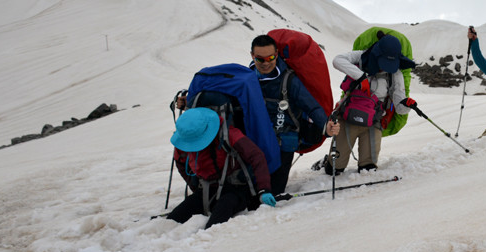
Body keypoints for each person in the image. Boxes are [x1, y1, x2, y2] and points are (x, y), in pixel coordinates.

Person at [249, 35, 340, 194]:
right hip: (257, 139)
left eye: (270, 57)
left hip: (284, 141)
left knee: (275, 189)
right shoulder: (247, 77)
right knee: (251, 187)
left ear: (276, 54)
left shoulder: (289, 80)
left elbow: (311, 106)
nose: (266, 63)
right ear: (252, 56)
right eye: (260, 59)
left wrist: (326, 125)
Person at [317, 32, 416, 174]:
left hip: (373, 123)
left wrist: (407, 105)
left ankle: (363, 162)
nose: (385, 67)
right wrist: (360, 76)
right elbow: (337, 60)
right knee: (334, 169)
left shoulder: (395, 73)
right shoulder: (362, 56)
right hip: (347, 118)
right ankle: (327, 161)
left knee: (368, 169)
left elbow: (399, 108)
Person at [167, 107, 276, 229]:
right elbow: (180, 163)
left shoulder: (228, 134)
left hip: (236, 189)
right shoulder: (185, 138)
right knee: (172, 220)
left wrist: (264, 189)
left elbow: (256, 156)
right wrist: (195, 186)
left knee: (215, 224)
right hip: (205, 190)